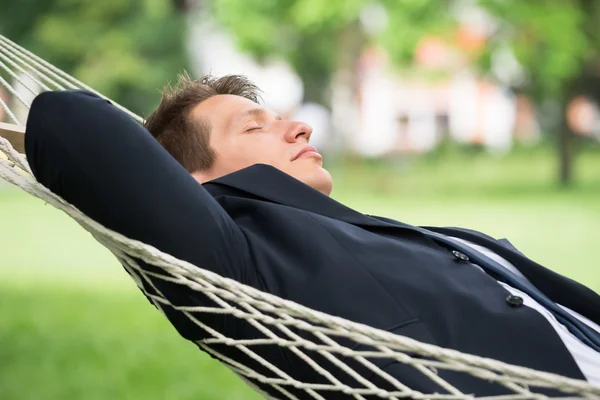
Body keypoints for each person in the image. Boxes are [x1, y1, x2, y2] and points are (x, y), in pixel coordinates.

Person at [24, 73, 600, 398]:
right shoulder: (237, 260)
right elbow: (66, 119)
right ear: (185, 185)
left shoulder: (347, 229)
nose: (299, 125)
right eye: (255, 126)